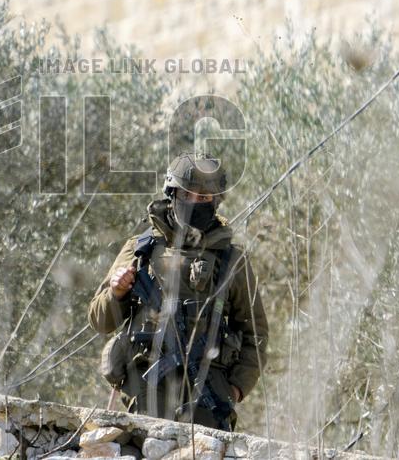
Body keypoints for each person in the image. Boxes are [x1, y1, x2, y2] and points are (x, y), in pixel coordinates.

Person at [88, 153, 268, 431]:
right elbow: (100, 321)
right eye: (188, 194)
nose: (196, 202)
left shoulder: (232, 261)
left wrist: (236, 388)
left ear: (216, 201)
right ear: (172, 195)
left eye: (204, 198)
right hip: (148, 388)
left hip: (208, 392)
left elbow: (254, 334)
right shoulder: (140, 249)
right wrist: (117, 292)